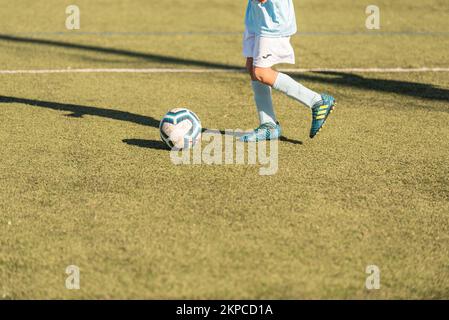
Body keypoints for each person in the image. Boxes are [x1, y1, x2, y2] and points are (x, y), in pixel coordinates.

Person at [240, 0, 336, 142]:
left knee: (261, 72)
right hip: (257, 16)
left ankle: (317, 101)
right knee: (252, 67)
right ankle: (268, 125)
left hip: (273, 20)